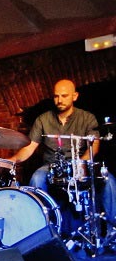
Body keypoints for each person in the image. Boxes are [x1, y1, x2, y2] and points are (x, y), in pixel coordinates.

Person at [9, 79, 116, 237]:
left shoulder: (87, 118)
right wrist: (11, 161)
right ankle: (43, 231)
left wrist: (81, 164)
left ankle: (112, 230)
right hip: (51, 166)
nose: (59, 100)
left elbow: (94, 146)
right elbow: (29, 147)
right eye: (56, 96)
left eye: (64, 96)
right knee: (37, 178)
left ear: (75, 96)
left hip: (80, 163)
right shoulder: (43, 119)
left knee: (108, 180)